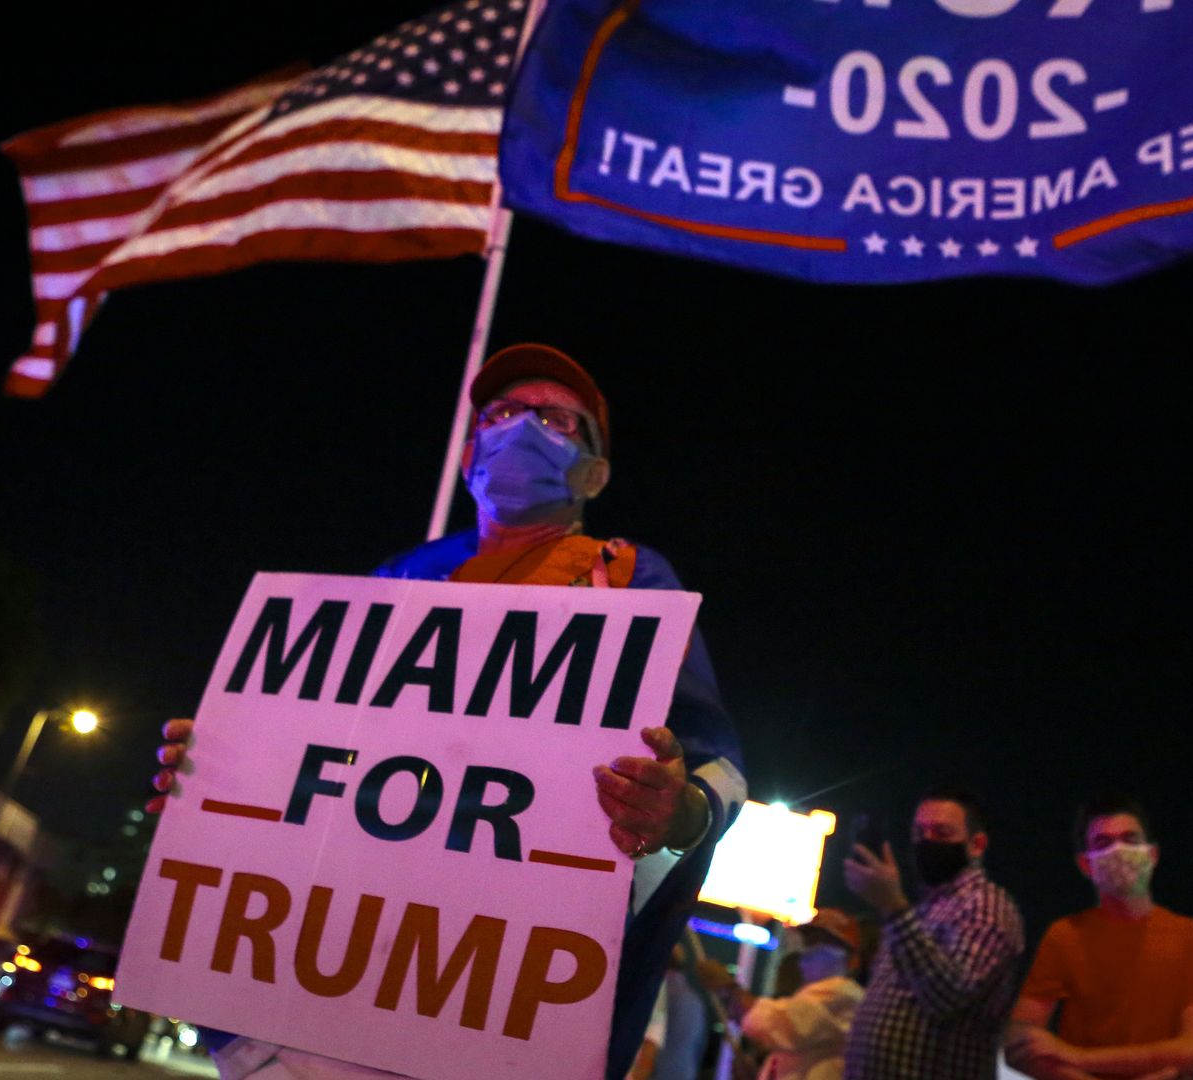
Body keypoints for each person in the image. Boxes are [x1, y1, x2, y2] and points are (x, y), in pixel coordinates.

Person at [149, 343, 747, 1080]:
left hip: (491, 993)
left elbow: (712, 757)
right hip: (336, 973)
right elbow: (319, 744)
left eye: (556, 419)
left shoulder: (626, 577)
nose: (521, 428)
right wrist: (220, 773)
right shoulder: (399, 577)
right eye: (500, 414)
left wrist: (678, 808)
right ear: (468, 457)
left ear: (595, 473)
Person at [1005, 794, 1193, 1080]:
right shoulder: (1064, 936)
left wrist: (1075, 1056)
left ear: (1152, 854)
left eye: (1130, 839)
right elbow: (1018, 1042)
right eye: (1103, 843)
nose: (1119, 850)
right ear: (1086, 864)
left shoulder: (1192, 937)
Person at [840, 786, 1025, 1080]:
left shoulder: (987, 905)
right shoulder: (923, 911)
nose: (927, 842)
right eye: (919, 833)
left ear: (976, 845)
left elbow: (948, 996)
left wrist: (893, 907)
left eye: (942, 833)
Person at [696, 908, 867, 1080]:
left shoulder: (845, 993)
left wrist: (729, 987)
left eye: (820, 941)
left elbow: (781, 1023)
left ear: (851, 957)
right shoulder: (814, 995)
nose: (809, 949)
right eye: (808, 940)